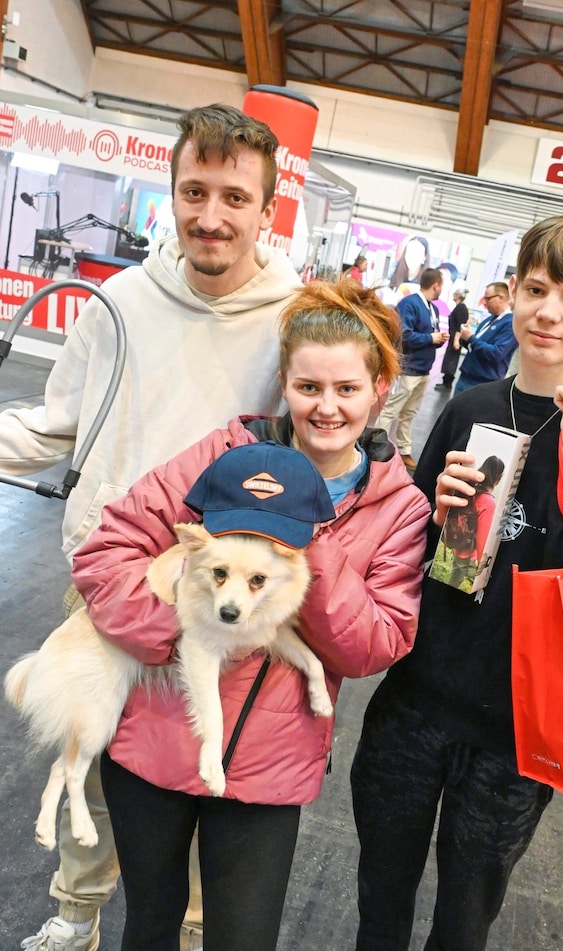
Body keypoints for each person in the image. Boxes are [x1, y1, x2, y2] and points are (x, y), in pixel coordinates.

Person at [1, 103, 303, 951]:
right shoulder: (121, 302)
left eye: (234, 197)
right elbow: (61, 421)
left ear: (267, 209)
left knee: (206, 768)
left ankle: (198, 927)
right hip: (105, 580)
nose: (211, 214)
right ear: (169, 193)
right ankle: (76, 908)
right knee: (87, 758)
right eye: (194, 190)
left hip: (220, 599)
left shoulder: (294, 322)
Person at [69, 279, 431, 951]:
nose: (326, 408)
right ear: (284, 381)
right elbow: (106, 552)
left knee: (241, 937)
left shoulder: (397, 506)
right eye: (308, 387)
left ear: (381, 387)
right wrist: (172, 630)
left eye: (347, 389)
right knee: (148, 923)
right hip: (155, 738)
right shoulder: (223, 455)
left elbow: (377, 642)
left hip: (269, 769)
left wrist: (309, 547)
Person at [350, 213, 563, 951]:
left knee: (464, 924)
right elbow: (404, 547)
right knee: (380, 902)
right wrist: (435, 507)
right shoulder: (470, 410)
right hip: (417, 701)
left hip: (519, 734)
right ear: (514, 290)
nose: (549, 311)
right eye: (536, 288)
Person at [374, 267, 449, 472]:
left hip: (423, 369)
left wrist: (437, 340)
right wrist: (430, 338)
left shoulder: (431, 309)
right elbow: (404, 335)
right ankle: (375, 448)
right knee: (391, 410)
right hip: (408, 369)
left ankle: (404, 449)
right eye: (441, 285)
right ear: (436, 285)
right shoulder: (409, 304)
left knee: (410, 413)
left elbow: (427, 335)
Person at [444, 454, 504, 590]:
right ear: (498, 478)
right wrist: (482, 568)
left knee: (453, 580)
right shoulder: (488, 502)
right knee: (481, 586)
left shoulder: (470, 490)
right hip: (469, 557)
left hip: (457, 547)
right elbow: (482, 539)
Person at [454, 281, 517, 393]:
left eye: (488, 299)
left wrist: (471, 338)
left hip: (483, 384)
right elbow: (473, 347)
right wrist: (464, 337)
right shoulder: (488, 321)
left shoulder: (510, 324)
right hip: (466, 377)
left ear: (501, 298)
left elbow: (496, 354)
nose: (484, 303)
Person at [435, 281, 469, 392]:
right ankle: (446, 381)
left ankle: (447, 383)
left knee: (451, 360)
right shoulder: (461, 307)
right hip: (454, 337)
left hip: (456, 337)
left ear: (458, 296)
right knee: (449, 359)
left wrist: (456, 341)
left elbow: (460, 326)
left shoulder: (460, 308)